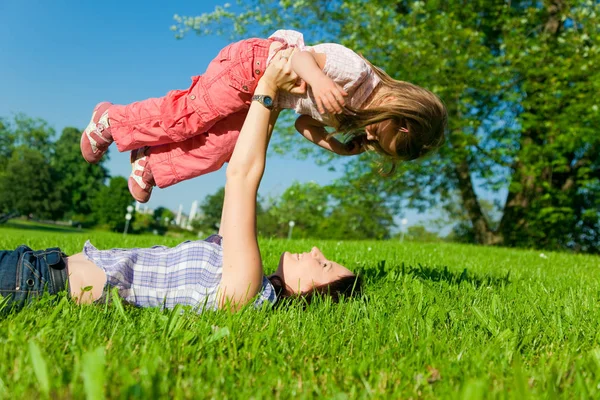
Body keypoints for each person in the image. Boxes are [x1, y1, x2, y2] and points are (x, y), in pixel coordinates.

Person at [0, 49, 362, 312]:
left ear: (309, 294)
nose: (317, 253)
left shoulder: (246, 289)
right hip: (36, 267)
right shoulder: (242, 272)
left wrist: (266, 88)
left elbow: (242, 176)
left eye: (324, 265)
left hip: (37, 284)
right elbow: (241, 160)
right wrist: (275, 102)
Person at [80, 29, 447, 203]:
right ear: (398, 118)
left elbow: (303, 123)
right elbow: (299, 56)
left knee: (222, 149)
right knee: (189, 116)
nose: (368, 140)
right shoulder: (355, 73)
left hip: (266, 97)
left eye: (375, 146)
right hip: (251, 66)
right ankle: (111, 121)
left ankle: (152, 165)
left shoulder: (351, 114)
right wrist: (318, 80)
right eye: (378, 138)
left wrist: (332, 144)